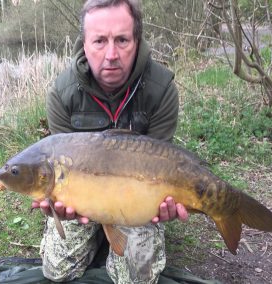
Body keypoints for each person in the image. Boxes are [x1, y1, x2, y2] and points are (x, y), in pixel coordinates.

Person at [32, 1, 188, 283]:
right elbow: (62, 172)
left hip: (137, 193)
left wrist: (164, 204)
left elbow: (164, 170)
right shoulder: (62, 93)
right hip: (85, 193)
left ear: (137, 40)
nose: (112, 54)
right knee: (56, 272)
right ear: (84, 43)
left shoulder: (161, 89)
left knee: (135, 280)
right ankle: (95, 236)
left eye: (122, 40)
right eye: (100, 41)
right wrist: (59, 202)